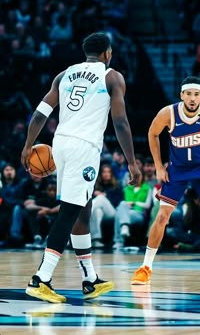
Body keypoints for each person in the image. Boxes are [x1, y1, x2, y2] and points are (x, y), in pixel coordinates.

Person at [21, 31, 141, 302]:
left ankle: (89, 279)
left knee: (82, 210)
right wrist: (132, 162)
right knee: (69, 211)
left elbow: (41, 112)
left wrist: (29, 144)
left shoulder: (64, 75)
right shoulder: (112, 76)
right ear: (107, 53)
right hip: (83, 147)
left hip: (60, 144)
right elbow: (120, 122)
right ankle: (41, 278)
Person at [131, 76, 200, 284]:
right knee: (161, 217)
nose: (192, 98)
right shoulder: (168, 113)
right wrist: (159, 167)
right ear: (181, 95)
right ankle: (145, 268)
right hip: (177, 172)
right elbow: (152, 134)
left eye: (196, 94)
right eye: (188, 94)